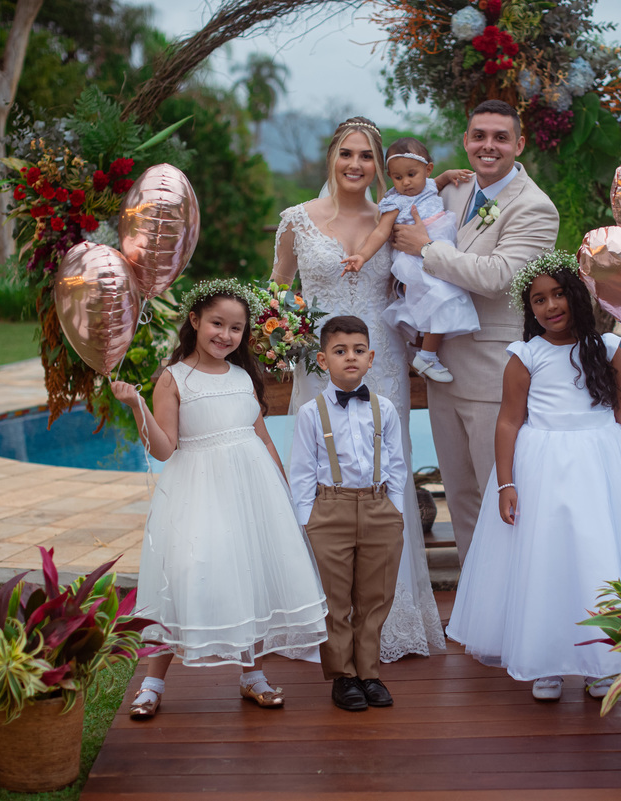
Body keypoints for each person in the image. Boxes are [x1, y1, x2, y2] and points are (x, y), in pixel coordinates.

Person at [445, 251, 621, 701]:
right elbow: (509, 422)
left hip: (602, 463)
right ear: (530, 309)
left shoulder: (608, 350)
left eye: (558, 295)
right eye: (538, 300)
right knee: (547, 561)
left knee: (597, 558)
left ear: (577, 295)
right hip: (544, 467)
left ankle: (600, 661)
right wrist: (507, 481)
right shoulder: (525, 355)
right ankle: (546, 660)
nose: (551, 306)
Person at [271, 116, 446, 663]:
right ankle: (319, 618)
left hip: (384, 365)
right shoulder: (297, 221)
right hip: (318, 367)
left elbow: (430, 261)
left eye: (367, 156)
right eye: (346, 154)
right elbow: (277, 293)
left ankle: (389, 620)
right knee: (318, 477)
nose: (355, 164)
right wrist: (284, 338)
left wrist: (455, 177)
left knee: (383, 474)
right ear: (331, 158)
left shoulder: (397, 217)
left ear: (380, 165)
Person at [110, 278, 328, 717]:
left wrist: (284, 493)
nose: (225, 335)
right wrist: (137, 406)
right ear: (194, 321)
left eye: (236, 328)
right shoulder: (174, 379)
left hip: (254, 491)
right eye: (216, 323)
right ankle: (153, 682)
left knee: (251, 573)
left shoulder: (243, 376)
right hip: (199, 491)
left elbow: (262, 436)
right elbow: (165, 449)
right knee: (188, 573)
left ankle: (253, 674)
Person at [390, 99, 559, 565]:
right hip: (443, 370)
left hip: (492, 375)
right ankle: (474, 607)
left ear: (518, 144)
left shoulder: (534, 208)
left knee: (499, 493)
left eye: (500, 137)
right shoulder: (452, 193)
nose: (488, 145)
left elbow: (497, 276)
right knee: (460, 495)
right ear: (465, 142)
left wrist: (426, 251)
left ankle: (514, 606)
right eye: (479, 136)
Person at [288, 315, 408, 711]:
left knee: (375, 596)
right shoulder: (311, 412)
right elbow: (302, 470)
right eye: (340, 351)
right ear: (323, 360)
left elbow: (396, 462)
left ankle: (369, 673)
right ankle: (343, 677)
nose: (350, 358)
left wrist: (396, 509)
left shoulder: (384, 408)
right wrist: (308, 522)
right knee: (335, 600)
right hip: (330, 510)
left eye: (358, 351)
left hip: (378, 507)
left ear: (371, 358)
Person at [340, 137, 478, 383]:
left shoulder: (427, 186)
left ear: (427, 170)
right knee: (438, 301)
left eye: (411, 174)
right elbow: (381, 232)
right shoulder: (395, 201)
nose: (405, 183)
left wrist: (448, 175)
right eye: (397, 177)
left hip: (438, 252)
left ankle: (422, 350)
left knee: (437, 304)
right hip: (415, 260)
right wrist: (362, 255)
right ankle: (427, 355)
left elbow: (437, 182)